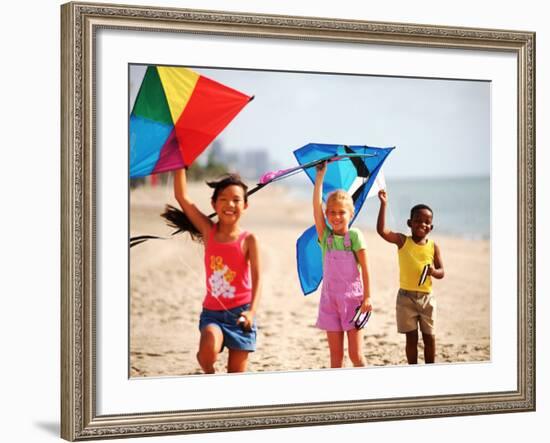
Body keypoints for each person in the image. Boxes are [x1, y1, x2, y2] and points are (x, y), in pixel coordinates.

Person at [164, 168, 261, 374]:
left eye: (236, 200)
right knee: (208, 344)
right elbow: (182, 196)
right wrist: (180, 164)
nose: (230, 204)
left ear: (245, 205)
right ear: (214, 204)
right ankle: (209, 372)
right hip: (213, 315)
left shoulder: (249, 239)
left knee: (236, 375)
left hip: (240, 315)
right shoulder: (209, 231)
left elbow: (258, 280)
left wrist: (251, 312)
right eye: (223, 199)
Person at [313, 162, 372, 368]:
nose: (336, 217)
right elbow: (316, 208)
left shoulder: (354, 236)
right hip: (329, 302)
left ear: (351, 214)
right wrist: (320, 176)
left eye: (341, 212)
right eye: (332, 213)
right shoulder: (326, 237)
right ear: (327, 214)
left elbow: (365, 268)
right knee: (335, 360)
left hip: (353, 302)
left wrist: (368, 297)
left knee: (356, 356)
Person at [376, 189, 445, 364]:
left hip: (427, 299)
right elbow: (382, 231)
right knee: (411, 338)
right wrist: (384, 204)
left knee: (429, 338)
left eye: (427, 222)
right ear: (409, 223)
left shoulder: (433, 246)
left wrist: (433, 272)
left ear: (432, 227)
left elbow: (442, 271)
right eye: (418, 221)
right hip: (405, 298)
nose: (423, 224)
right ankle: (412, 369)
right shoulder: (402, 241)